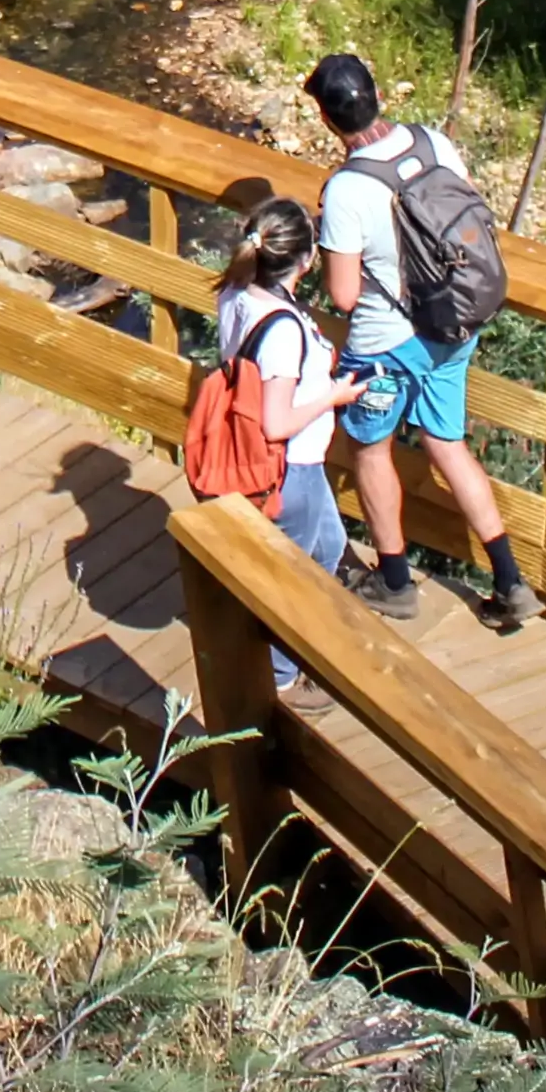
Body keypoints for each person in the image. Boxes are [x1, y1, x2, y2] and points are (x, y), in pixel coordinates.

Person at [305, 51, 543, 632]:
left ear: (327, 119)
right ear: (377, 95)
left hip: (386, 343)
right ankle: (510, 582)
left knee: (369, 449)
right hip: (453, 326)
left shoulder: (347, 190)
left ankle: (393, 583)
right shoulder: (433, 143)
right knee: (447, 444)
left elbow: (341, 295)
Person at [216, 196, 366, 715]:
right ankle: (279, 681)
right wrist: (333, 397)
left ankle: (300, 645)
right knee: (289, 573)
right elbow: (277, 422)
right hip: (288, 468)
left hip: (284, 462)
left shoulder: (236, 292)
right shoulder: (282, 329)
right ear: (306, 261)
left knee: (329, 548)